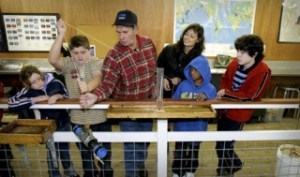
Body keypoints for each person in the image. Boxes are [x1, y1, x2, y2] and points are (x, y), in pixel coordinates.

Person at [79, 9, 157, 177]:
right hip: (126, 110)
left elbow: (153, 72)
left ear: (136, 29)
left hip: (147, 107)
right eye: (118, 32)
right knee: (131, 150)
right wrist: (94, 95)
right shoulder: (114, 56)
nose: (121, 36)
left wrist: (156, 87)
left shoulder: (149, 44)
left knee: (143, 146)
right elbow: (107, 84)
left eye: (125, 32)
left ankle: (140, 170)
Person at [48, 19, 113, 177]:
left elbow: (98, 77)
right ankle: (90, 174)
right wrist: (61, 34)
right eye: (75, 53)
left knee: (106, 153)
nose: (79, 56)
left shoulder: (97, 61)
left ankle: (106, 173)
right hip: (78, 119)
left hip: (100, 118)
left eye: (83, 52)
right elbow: (52, 59)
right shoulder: (68, 64)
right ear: (70, 53)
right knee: (85, 155)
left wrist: (88, 87)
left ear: (89, 51)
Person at [8, 65, 79, 177]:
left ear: (41, 75)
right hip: (47, 125)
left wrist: (57, 95)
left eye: (39, 78)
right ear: (27, 84)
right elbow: (11, 103)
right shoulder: (27, 90)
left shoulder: (56, 82)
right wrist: (34, 99)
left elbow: (67, 95)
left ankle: (70, 172)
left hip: (63, 122)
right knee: (52, 151)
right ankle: (54, 174)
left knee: (65, 150)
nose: (39, 83)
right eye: (34, 82)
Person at [215, 34, 271, 176]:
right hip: (224, 111)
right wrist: (224, 92)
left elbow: (251, 96)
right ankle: (224, 170)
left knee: (225, 145)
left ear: (255, 54)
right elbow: (225, 79)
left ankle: (233, 166)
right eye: (237, 51)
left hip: (239, 114)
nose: (238, 55)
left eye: (242, 52)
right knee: (220, 145)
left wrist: (226, 93)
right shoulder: (235, 63)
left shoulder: (263, 71)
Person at [171, 56, 216, 177]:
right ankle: (177, 172)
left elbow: (214, 102)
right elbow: (173, 102)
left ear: (204, 71)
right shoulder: (183, 85)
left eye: (195, 70)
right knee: (179, 152)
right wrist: (171, 121)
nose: (192, 72)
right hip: (181, 128)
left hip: (198, 128)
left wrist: (206, 96)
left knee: (193, 153)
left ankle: (190, 172)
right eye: (191, 69)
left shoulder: (211, 89)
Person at [157, 23, 205, 98]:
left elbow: (199, 78)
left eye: (192, 36)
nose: (187, 38)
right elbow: (158, 66)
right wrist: (163, 78)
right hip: (163, 90)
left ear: (198, 40)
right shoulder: (169, 49)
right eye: (186, 34)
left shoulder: (198, 59)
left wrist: (180, 80)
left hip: (184, 93)